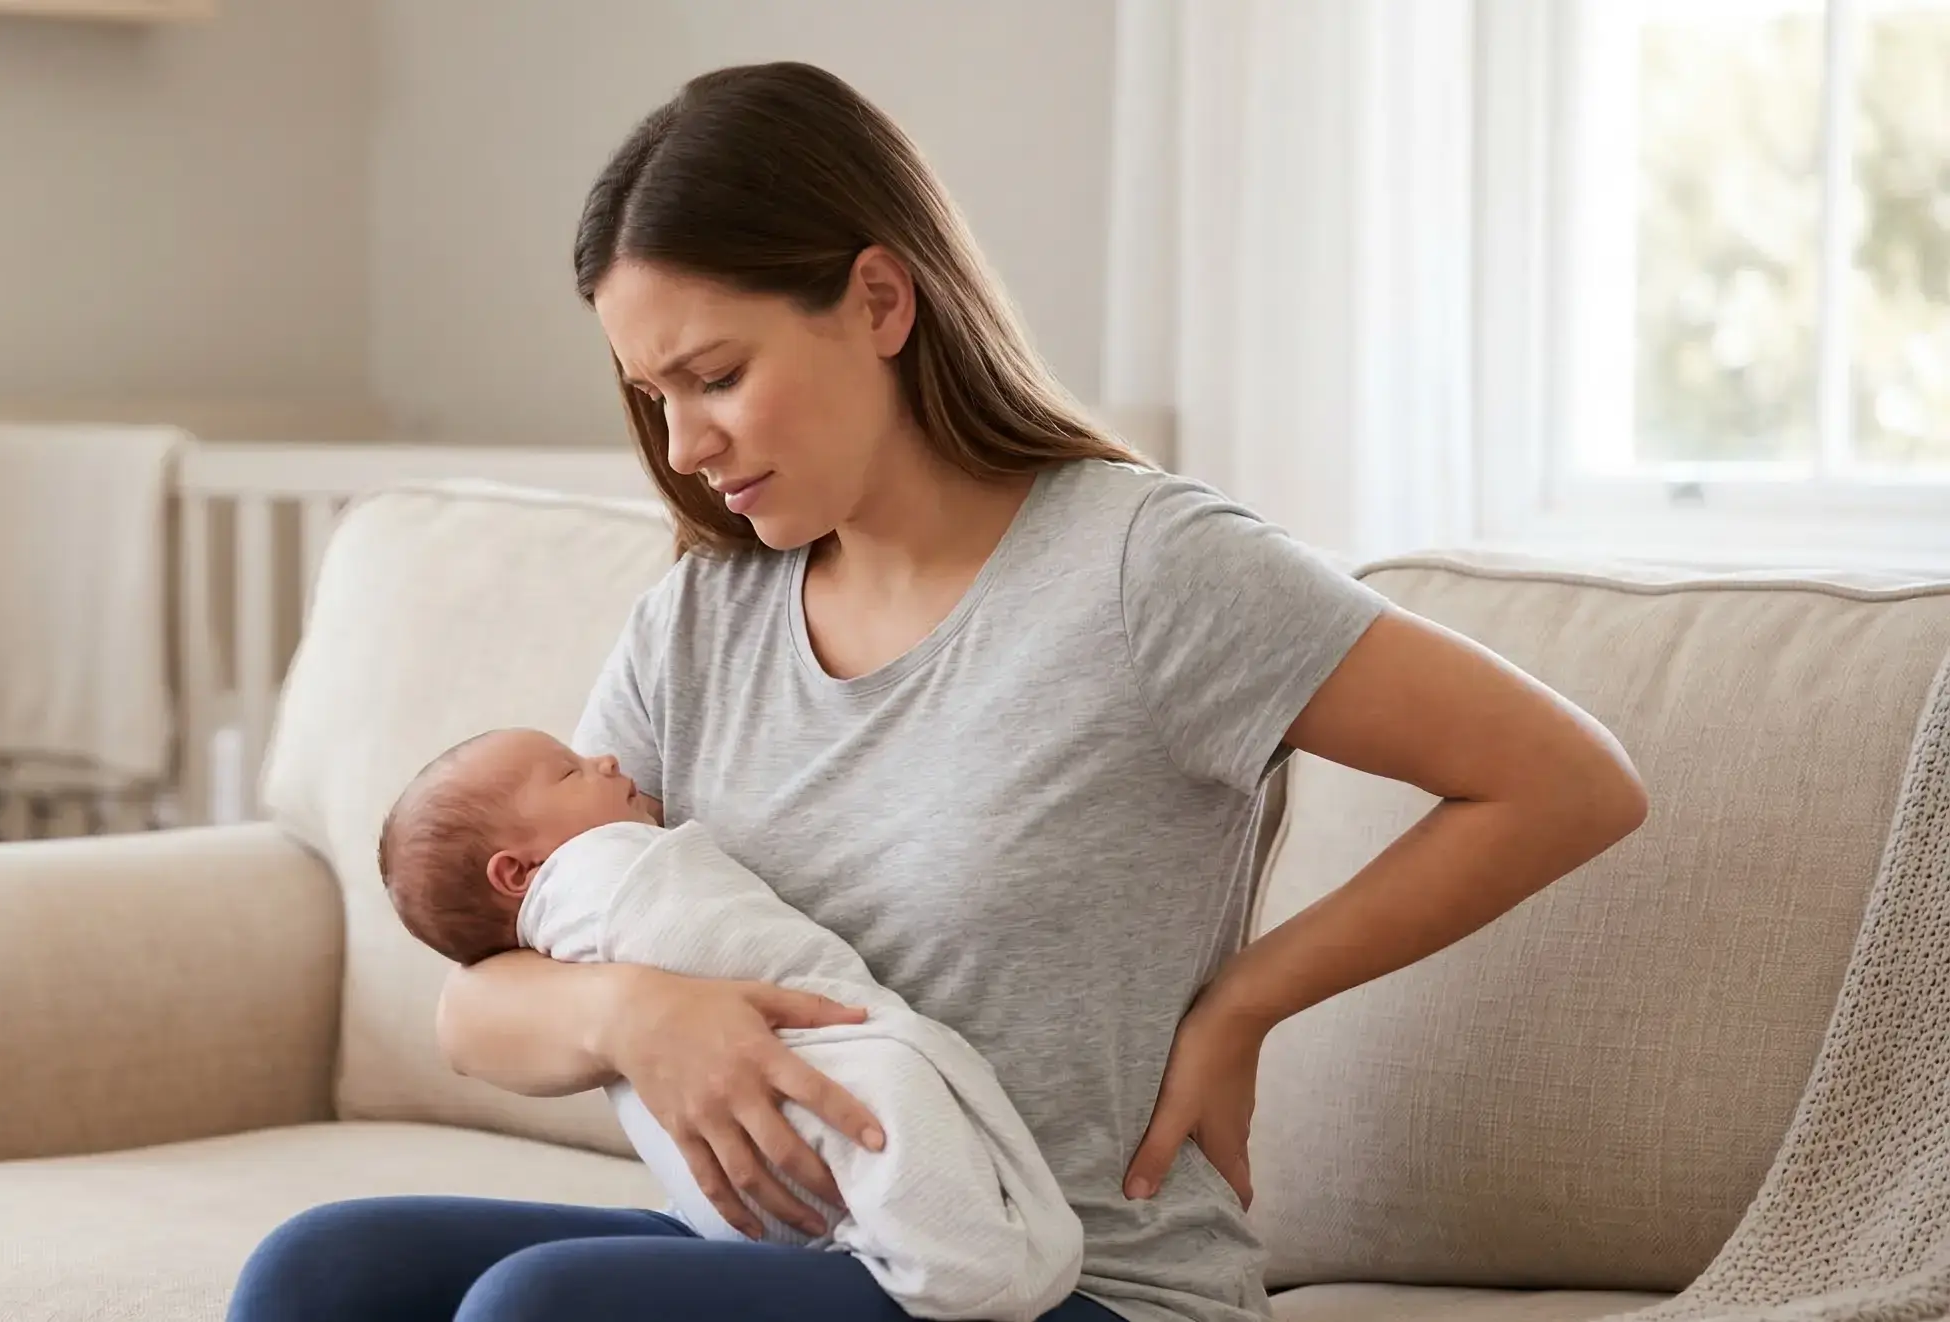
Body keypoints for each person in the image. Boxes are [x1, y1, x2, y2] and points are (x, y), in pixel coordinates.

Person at [228, 59, 1647, 1322]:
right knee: (323, 1270)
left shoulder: (1146, 568)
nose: (685, 443)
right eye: (654, 396)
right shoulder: (701, 617)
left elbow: (1565, 781)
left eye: (714, 375)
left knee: (543, 1307)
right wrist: (632, 1014)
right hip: (789, 1253)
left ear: (879, 299)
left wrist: (1242, 1004)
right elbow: (480, 1006)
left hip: (1063, 1279)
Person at [374, 727, 1081, 1321]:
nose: (607, 760)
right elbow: (465, 1015)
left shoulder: (1126, 608)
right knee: (339, 1261)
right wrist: (637, 1011)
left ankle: (966, 1266)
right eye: (571, 770)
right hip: (743, 1193)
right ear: (515, 874)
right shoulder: (596, 875)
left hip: (1107, 1268)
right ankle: (966, 1263)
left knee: (529, 1304)